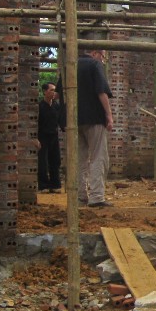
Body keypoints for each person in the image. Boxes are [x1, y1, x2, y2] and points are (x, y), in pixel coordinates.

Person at [59, 42, 114, 207]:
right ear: (96, 53)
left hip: (73, 120)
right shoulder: (94, 65)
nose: (103, 60)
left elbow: (59, 94)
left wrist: (64, 117)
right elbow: (101, 92)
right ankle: (97, 197)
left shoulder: (69, 65)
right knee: (98, 157)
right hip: (94, 119)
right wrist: (109, 115)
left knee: (79, 159)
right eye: (103, 57)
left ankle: (80, 196)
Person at [37, 82, 63, 192]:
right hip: (42, 136)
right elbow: (36, 124)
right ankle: (43, 185)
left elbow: (60, 121)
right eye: (51, 90)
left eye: (54, 90)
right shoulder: (40, 106)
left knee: (55, 160)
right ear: (44, 91)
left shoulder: (56, 106)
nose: (53, 92)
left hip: (54, 136)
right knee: (43, 161)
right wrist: (36, 139)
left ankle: (55, 184)